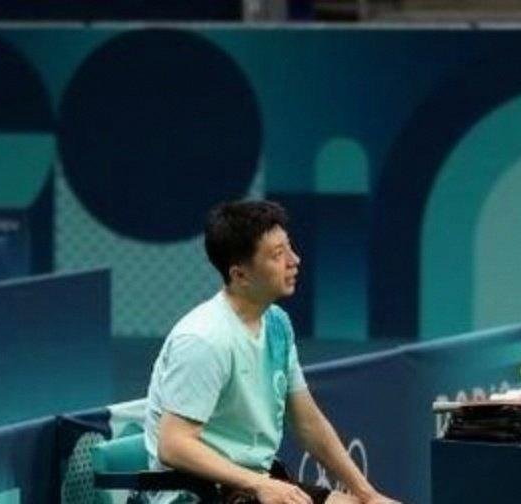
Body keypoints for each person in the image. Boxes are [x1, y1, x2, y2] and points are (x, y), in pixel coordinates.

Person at [144, 200, 399, 503]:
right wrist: (258, 484)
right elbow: (173, 445)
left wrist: (369, 495)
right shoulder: (204, 339)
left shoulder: (277, 323)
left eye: (289, 248)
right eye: (278, 255)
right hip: (196, 493)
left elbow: (308, 423)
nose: (295, 260)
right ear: (240, 275)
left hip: (251, 485)